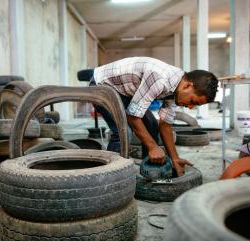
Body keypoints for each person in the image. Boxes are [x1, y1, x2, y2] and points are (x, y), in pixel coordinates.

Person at [89, 57, 219, 177]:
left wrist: (174, 158)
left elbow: (165, 125)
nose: (190, 107)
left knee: (151, 125)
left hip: (125, 91)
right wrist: (152, 147)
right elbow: (133, 116)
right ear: (188, 85)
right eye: (193, 101)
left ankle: (150, 169)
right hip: (102, 85)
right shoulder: (159, 78)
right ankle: (110, 177)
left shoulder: (177, 89)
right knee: (123, 132)